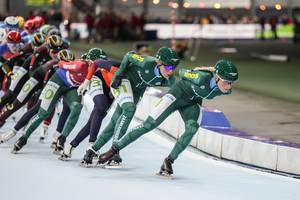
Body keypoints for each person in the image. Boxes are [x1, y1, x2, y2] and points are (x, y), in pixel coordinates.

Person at [96, 60, 239, 176]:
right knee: (149, 125)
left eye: (232, 82)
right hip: (176, 96)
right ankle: (114, 150)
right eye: (227, 81)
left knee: (192, 128)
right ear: (217, 78)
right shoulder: (202, 77)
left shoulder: (226, 90)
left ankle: (169, 161)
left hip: (191, 103)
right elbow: (182, 73)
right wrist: (192, 73)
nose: (229, 86)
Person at [80, 46, 180, 166]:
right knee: (130, 109)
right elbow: (128, 56)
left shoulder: (169, 79)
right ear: (158, 62)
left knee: (115, 122)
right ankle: (115, 150)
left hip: (137, 91)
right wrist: (119, 75)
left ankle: (91, 151)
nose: (171, 71)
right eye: (168, 67)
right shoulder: (146, 62)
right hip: (123, 80)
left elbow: (180, 91)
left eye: (174, 67)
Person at [60, 52, 121, 160]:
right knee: (100, 107)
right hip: (97, 79)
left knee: (93, 121)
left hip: (110, 87)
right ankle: (92, 144)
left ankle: (70, 146)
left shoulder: (112, 67)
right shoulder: (99, 65)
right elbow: (96, 63)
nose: (90, 66)